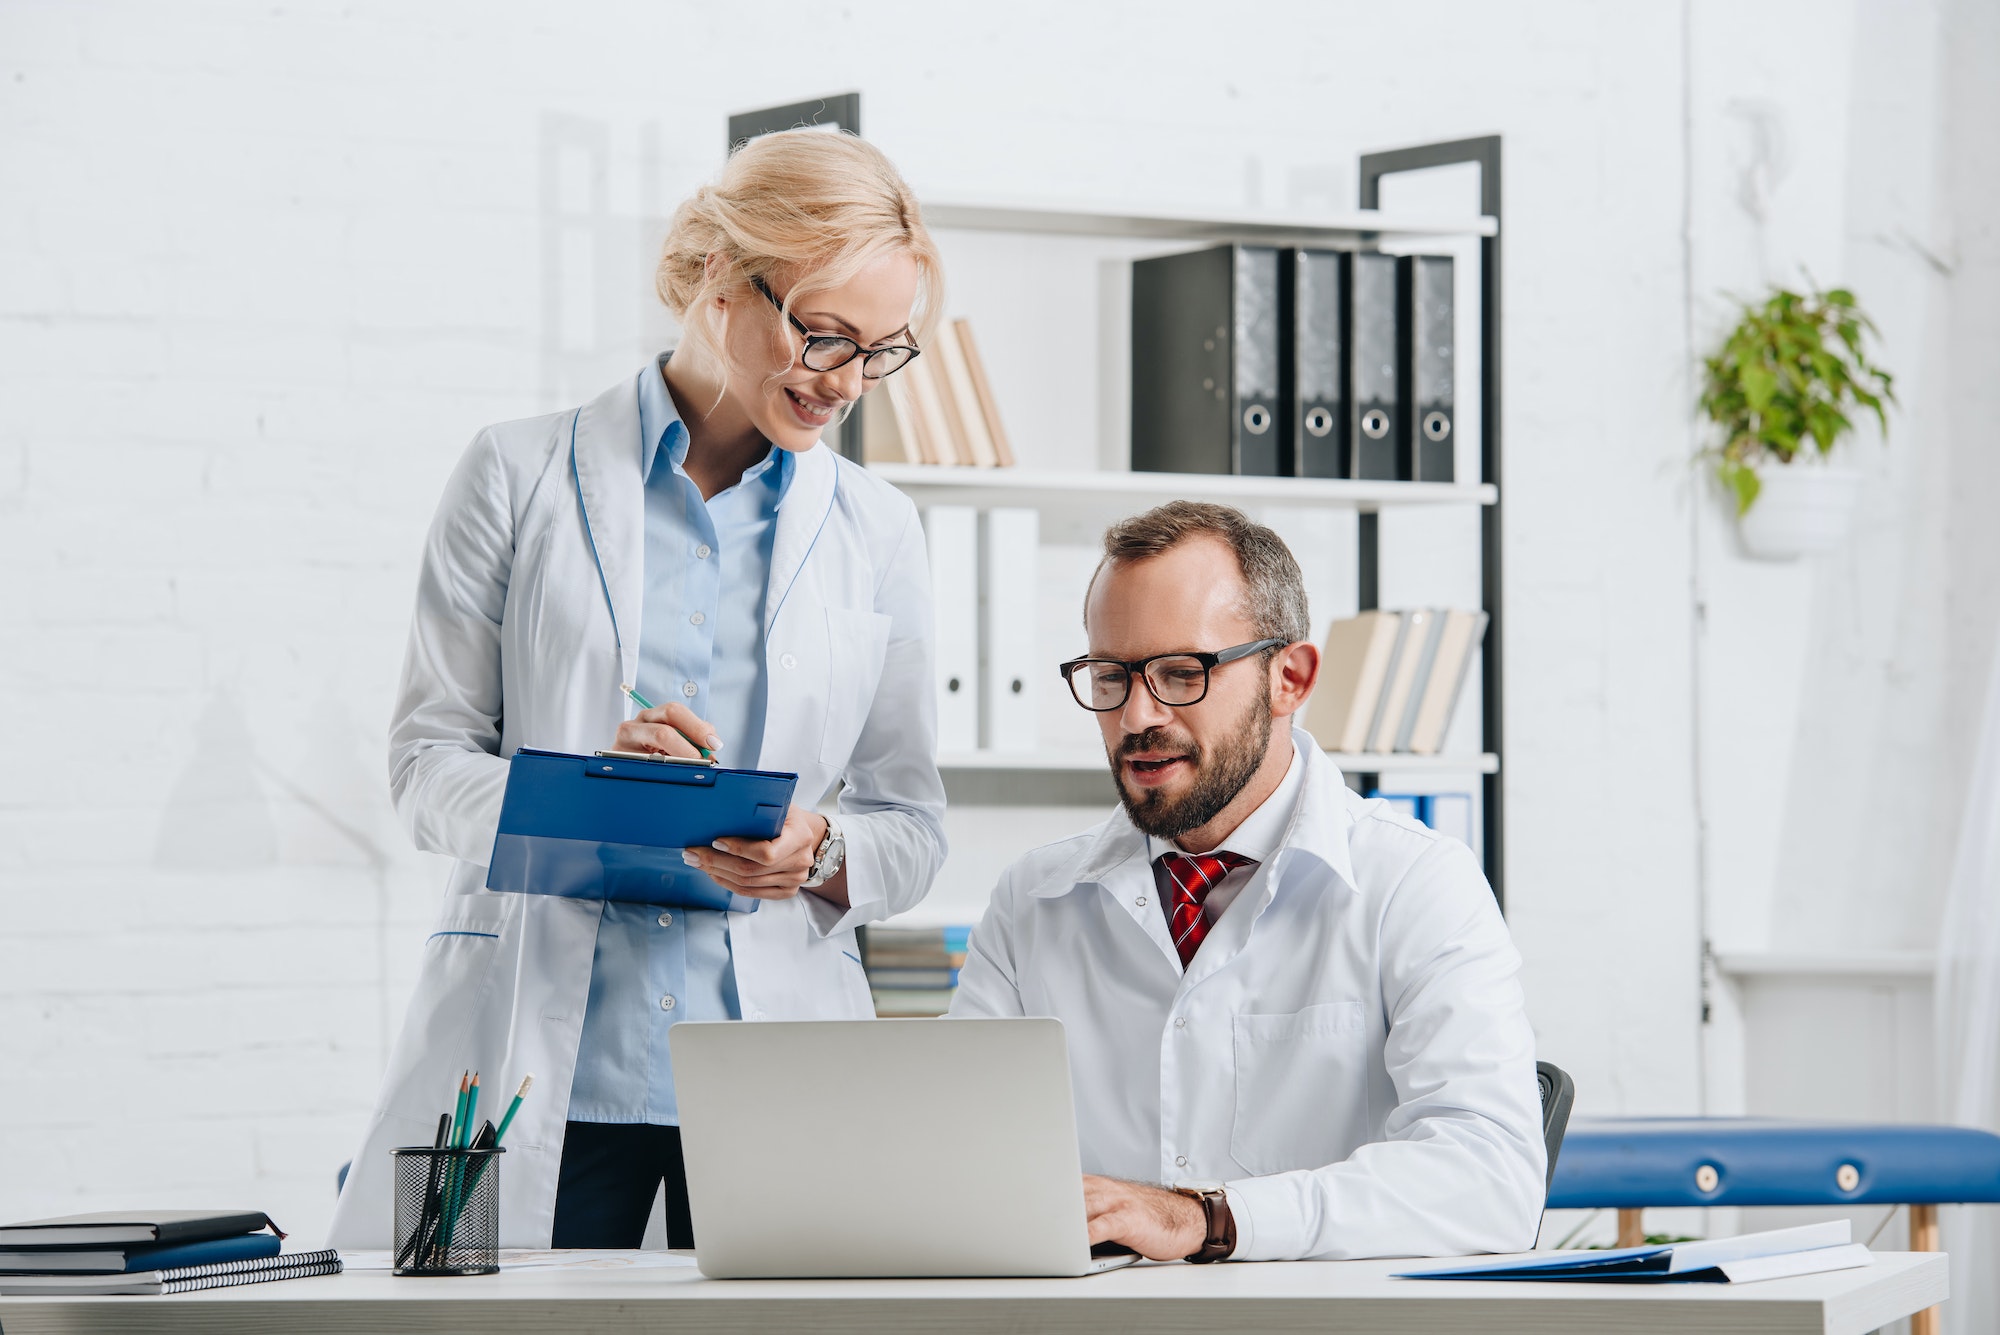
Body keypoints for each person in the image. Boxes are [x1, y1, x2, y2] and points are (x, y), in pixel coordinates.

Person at [330, 130, 949, 1249]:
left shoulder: (880, 530)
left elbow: (911, 826)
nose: (846, 382)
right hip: (537, 1071)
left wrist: (814, 849)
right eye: (822, 334)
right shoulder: (515, 474)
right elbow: (425, 769)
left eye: (879, 351)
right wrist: (587, 796)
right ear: (719, 273)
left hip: (772, 1077)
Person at [950, 501, 1545, 1263]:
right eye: (1111, 676)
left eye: (1180, 673)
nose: (1137, 715)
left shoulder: (1418, 884)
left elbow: (1492, 1180)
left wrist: (1208, 1217)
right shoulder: (1031, 900)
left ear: (1289, 678)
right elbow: (958, 1160)